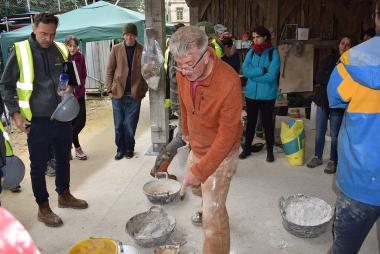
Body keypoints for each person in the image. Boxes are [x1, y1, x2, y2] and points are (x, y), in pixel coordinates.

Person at [0, 13, 88, 227]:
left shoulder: (60, 49)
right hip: (36, 121)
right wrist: (15, 113)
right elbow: (6, 85)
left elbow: (72, 78)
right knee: (38, 166)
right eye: (43, 34)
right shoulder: (20, 50)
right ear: (34, 27)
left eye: (52, 34)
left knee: (63, 158)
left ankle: (64, 195)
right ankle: (43, 207)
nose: (48, 39)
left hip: (62, 116)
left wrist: (69, 88)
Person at [170, 26, 243, 254]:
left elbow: (227, 134)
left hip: (222, 151)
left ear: (206, 52)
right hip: (198, 144)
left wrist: (200, 171)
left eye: (189, 64)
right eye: (178, 65)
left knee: (212, 218)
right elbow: (183, 101)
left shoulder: (228, 82)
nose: (183, 71)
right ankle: (214, 205)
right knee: (201, 192)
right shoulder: (183, 72)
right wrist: (185, 129)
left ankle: (216, 220)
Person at [327, 2, 380, 252]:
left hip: (360, 179)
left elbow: (334, 98)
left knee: (344, 248)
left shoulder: (352, 60)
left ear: (377, 18)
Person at [306, 35, 354, 174]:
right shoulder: (330, 59)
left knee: (335, 135)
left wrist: (331, 78)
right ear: (338, 44)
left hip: (338, 104)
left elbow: (350, 84)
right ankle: (318, 156)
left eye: (348, 44)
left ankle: (333, 160)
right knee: (319, 132)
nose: (344, 46)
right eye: (342, 43)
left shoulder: (351, 64)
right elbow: (319, 77)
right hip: (323, 100)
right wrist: (335, 79)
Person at [106, 23, 148, 160]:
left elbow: (147, 71)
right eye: (127, 34)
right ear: (123, 35)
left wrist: (143, 89)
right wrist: (109, 89)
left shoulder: (142, 50)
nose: (129, 37)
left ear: (136, 35)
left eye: (132, 34)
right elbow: (110, 70)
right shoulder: (116, 49)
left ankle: (129, 148)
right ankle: (120, 149)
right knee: (118, 124)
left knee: (129, 124)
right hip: (118, 93)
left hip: (135, 93)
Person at [239, 25, 280, 162]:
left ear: (265, 37)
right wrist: (261, 70)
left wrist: (253, 75)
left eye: (258, 37)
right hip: (251, 95)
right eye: (254, 38)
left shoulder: (273, 53)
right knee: (250, 123)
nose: (255, 40)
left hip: (267, 95)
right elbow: (245, 70)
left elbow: (272, 76)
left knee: (268, 123)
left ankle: (270, 151)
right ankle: (246, 149)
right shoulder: (251, 52)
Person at [150, 23, 186, 180]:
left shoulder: (175, 49)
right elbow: (174, 76)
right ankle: (159, 168)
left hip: (180, 98)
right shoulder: (177, 50)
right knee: (182, 137)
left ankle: (158, 167)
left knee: (184, 135)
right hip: (182, 99)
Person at [65, 35, 88, 160]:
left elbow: (84, 73)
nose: (72, 48)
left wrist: (80, 85)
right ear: (66, 46)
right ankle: (77, 148)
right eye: (70, 46)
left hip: (79, 94)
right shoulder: (64, 57)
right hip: (67, 96)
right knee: (71, 123)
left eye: (74, 46)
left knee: (81, 122)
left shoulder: (80, 57)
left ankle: (67, 144)